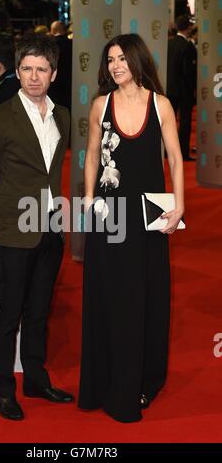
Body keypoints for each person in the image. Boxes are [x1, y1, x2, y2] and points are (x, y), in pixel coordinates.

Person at [78, 34, 184, 423]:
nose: (116, 66)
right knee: (108, 295)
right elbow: (90, 154)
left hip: (147, 220)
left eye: (122, 58)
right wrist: (88, 198)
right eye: (110, 60)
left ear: (137, 60)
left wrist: (180, 204)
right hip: (109, 218)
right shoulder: (99, 105)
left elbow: (174, 157)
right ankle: (105, 379)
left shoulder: (161, 105)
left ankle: (140, 380)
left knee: (142, 297)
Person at [0, 34, 73, 421]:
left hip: (50, 226)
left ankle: (35, 377)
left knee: (39, 309)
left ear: (54, 73)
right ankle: (1, 386)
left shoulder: (62, 115)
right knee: (9, 309)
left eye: (41, 69)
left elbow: (52, 172)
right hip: (14, 230)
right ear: (17, 71)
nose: (33, 77)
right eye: (26, 69)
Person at [167, 15, 196, 161]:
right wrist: (193, 89)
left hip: (170, 89)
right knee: (184, 123)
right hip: (184, 91)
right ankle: (183, 152)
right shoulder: (187, 46)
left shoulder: (169, 44)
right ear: (188, 27)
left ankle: (167, 151)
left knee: (169, 123)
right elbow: (188, 72)